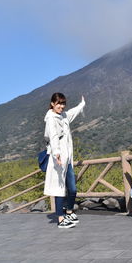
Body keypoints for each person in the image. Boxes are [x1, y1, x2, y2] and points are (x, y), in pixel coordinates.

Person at [43, 92, 85, 228]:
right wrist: (57, 154)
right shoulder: (51, 119)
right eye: (58, 103)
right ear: (52, 104)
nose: (61, 106)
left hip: (67, 159)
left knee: (72, 189)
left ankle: (69, 211)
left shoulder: (63, 116)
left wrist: (81, 105)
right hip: (58, 158)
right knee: (59, 188)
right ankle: (61, 219)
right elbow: (54, 137)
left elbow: (72, 113)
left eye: (63, 103)